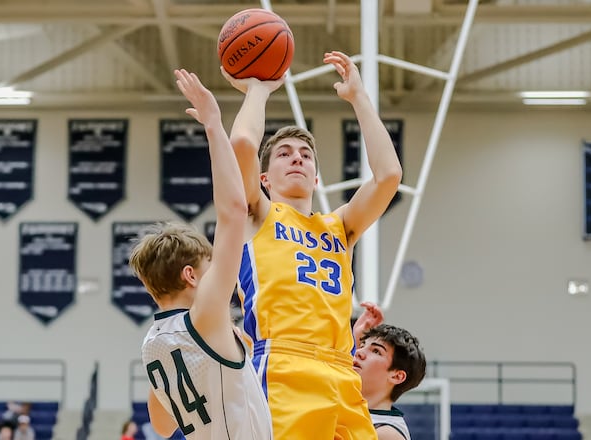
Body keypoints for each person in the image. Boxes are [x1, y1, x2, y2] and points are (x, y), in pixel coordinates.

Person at [223, 50, 403, 439]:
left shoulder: (339, 226)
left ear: (317, 178)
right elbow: (240, 143)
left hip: (340, 372)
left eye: (306, 155)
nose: (297, 159)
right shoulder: (259, 214)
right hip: (283, 365)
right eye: (284, 154)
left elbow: (389, 175)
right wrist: (257, 90)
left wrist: (359, 97)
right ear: (265, 179)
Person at [129, 68, 271, 440]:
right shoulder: (205, 317)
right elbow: (234, 211)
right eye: (210, 269)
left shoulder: (152, 345)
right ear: (190, 275)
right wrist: (213, 124)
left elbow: (162, 426)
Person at [352, 303, 428, 440]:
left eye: (376, 351)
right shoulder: (352, 409)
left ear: (397, 376)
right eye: (362, 346)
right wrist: (356, 336)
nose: (359, 352)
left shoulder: (388, 434)